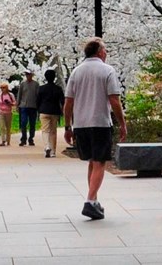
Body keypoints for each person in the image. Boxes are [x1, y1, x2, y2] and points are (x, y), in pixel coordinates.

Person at [63, 37, 126, 220]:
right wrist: (122, 123)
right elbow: (114, 100)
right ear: (99, 52)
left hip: (81, 124)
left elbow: (68, 103)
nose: (106, 53)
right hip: (100, 122)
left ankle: (94, 200)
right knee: (100, 162)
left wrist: (68, 126)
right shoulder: (107, 71)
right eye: (105, 50)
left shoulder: (76, 72)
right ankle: (90, 201)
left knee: (92, 161)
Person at [37, 69, 65, 158]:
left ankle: (47, 146)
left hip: (44, 110)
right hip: (54, 111)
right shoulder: (58, 89)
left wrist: (38, 109)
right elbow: (62, 101)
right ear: (54, 77)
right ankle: (53, 151)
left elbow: (37, 101)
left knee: (45, 130)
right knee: (53, 131)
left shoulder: (41, 88)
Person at [17, 69, 40, 146]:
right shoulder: (23, 84)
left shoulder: (36, 84)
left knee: (32, 124)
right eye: (26, 74)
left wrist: (38, 106)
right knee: (23, 123)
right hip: (24, 106)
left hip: (33, 106)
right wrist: (17, 104)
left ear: (32, 75)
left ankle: (31, 138)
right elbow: (19, 95)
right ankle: (23, 139)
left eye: (29, 74)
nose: (27, 76)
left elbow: (38, 96)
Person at [0, 81, 16, 146]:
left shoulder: (11, 95)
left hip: (8, 112)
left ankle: (8, 140)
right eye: (1, 88)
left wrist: (10, 103)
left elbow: (14, 103)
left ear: (7, 88)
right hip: (1, 112)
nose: (2, 89)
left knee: (8, 127)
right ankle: (3, 140)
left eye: (4, 87)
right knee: (2, 126)